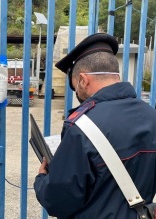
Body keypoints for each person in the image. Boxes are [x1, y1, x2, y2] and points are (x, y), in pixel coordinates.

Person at [34, 33, 156, 218]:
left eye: (74, 86)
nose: (76, 92)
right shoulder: (151, 115)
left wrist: (42, 179)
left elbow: (59, 202)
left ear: (83, 80)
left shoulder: (81, 126)